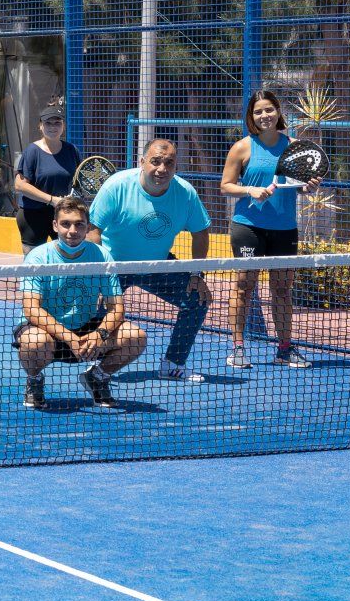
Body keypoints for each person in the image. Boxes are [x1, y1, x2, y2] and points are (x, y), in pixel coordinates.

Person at [87, 138, 213, 383]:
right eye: (155, 161)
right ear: (142, 162)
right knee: (97, 308)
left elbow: (201, 233)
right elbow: (93, 231)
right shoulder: (116, 186)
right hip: (114, 266)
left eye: (169, 163)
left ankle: (173, 364)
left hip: (158, 264)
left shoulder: (186, 193)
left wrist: (197, 275)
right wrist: (100, 276)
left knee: (197, 299)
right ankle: (98, 358)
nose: (162, 169)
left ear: (176, 166)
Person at [15, 198, 147, 410]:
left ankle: (97, 377)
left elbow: (116, 307)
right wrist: (70, 338)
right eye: (66, 224)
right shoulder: (37, 258)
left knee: (135, 336)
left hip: (86, 330)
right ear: (55, 225)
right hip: (46, 331)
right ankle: (35, 379)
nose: (72, 230)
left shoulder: (101, 256)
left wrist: (99, 334)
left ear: (87, 227)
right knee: (34, 342)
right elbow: (32, 310)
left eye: (79, 224)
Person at [220, 89, 314, 369]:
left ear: (278, 112)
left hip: (284, 230)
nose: (264, 116)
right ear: (252, 116)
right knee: (243, 287)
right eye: (258, 111)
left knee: (282, 290)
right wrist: (250, 190)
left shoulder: (295, 147)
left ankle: (284, 350)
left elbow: (301, 186)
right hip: (248, 228)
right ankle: (238, 349)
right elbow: (226, 186)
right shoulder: (242, 147)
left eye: (269, 110)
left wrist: (309, 188)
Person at [12, 105, 80, 249]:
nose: (53, 127)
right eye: (48, 123)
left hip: (64, 214)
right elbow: (19, 185)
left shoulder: (72, 150)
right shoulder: (32, 151)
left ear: (63, 126)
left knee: (67, 255)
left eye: (57, 123)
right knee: (34, 260)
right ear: (41, 126)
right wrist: (52, 200)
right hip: (33, 215)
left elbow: (79, 180)